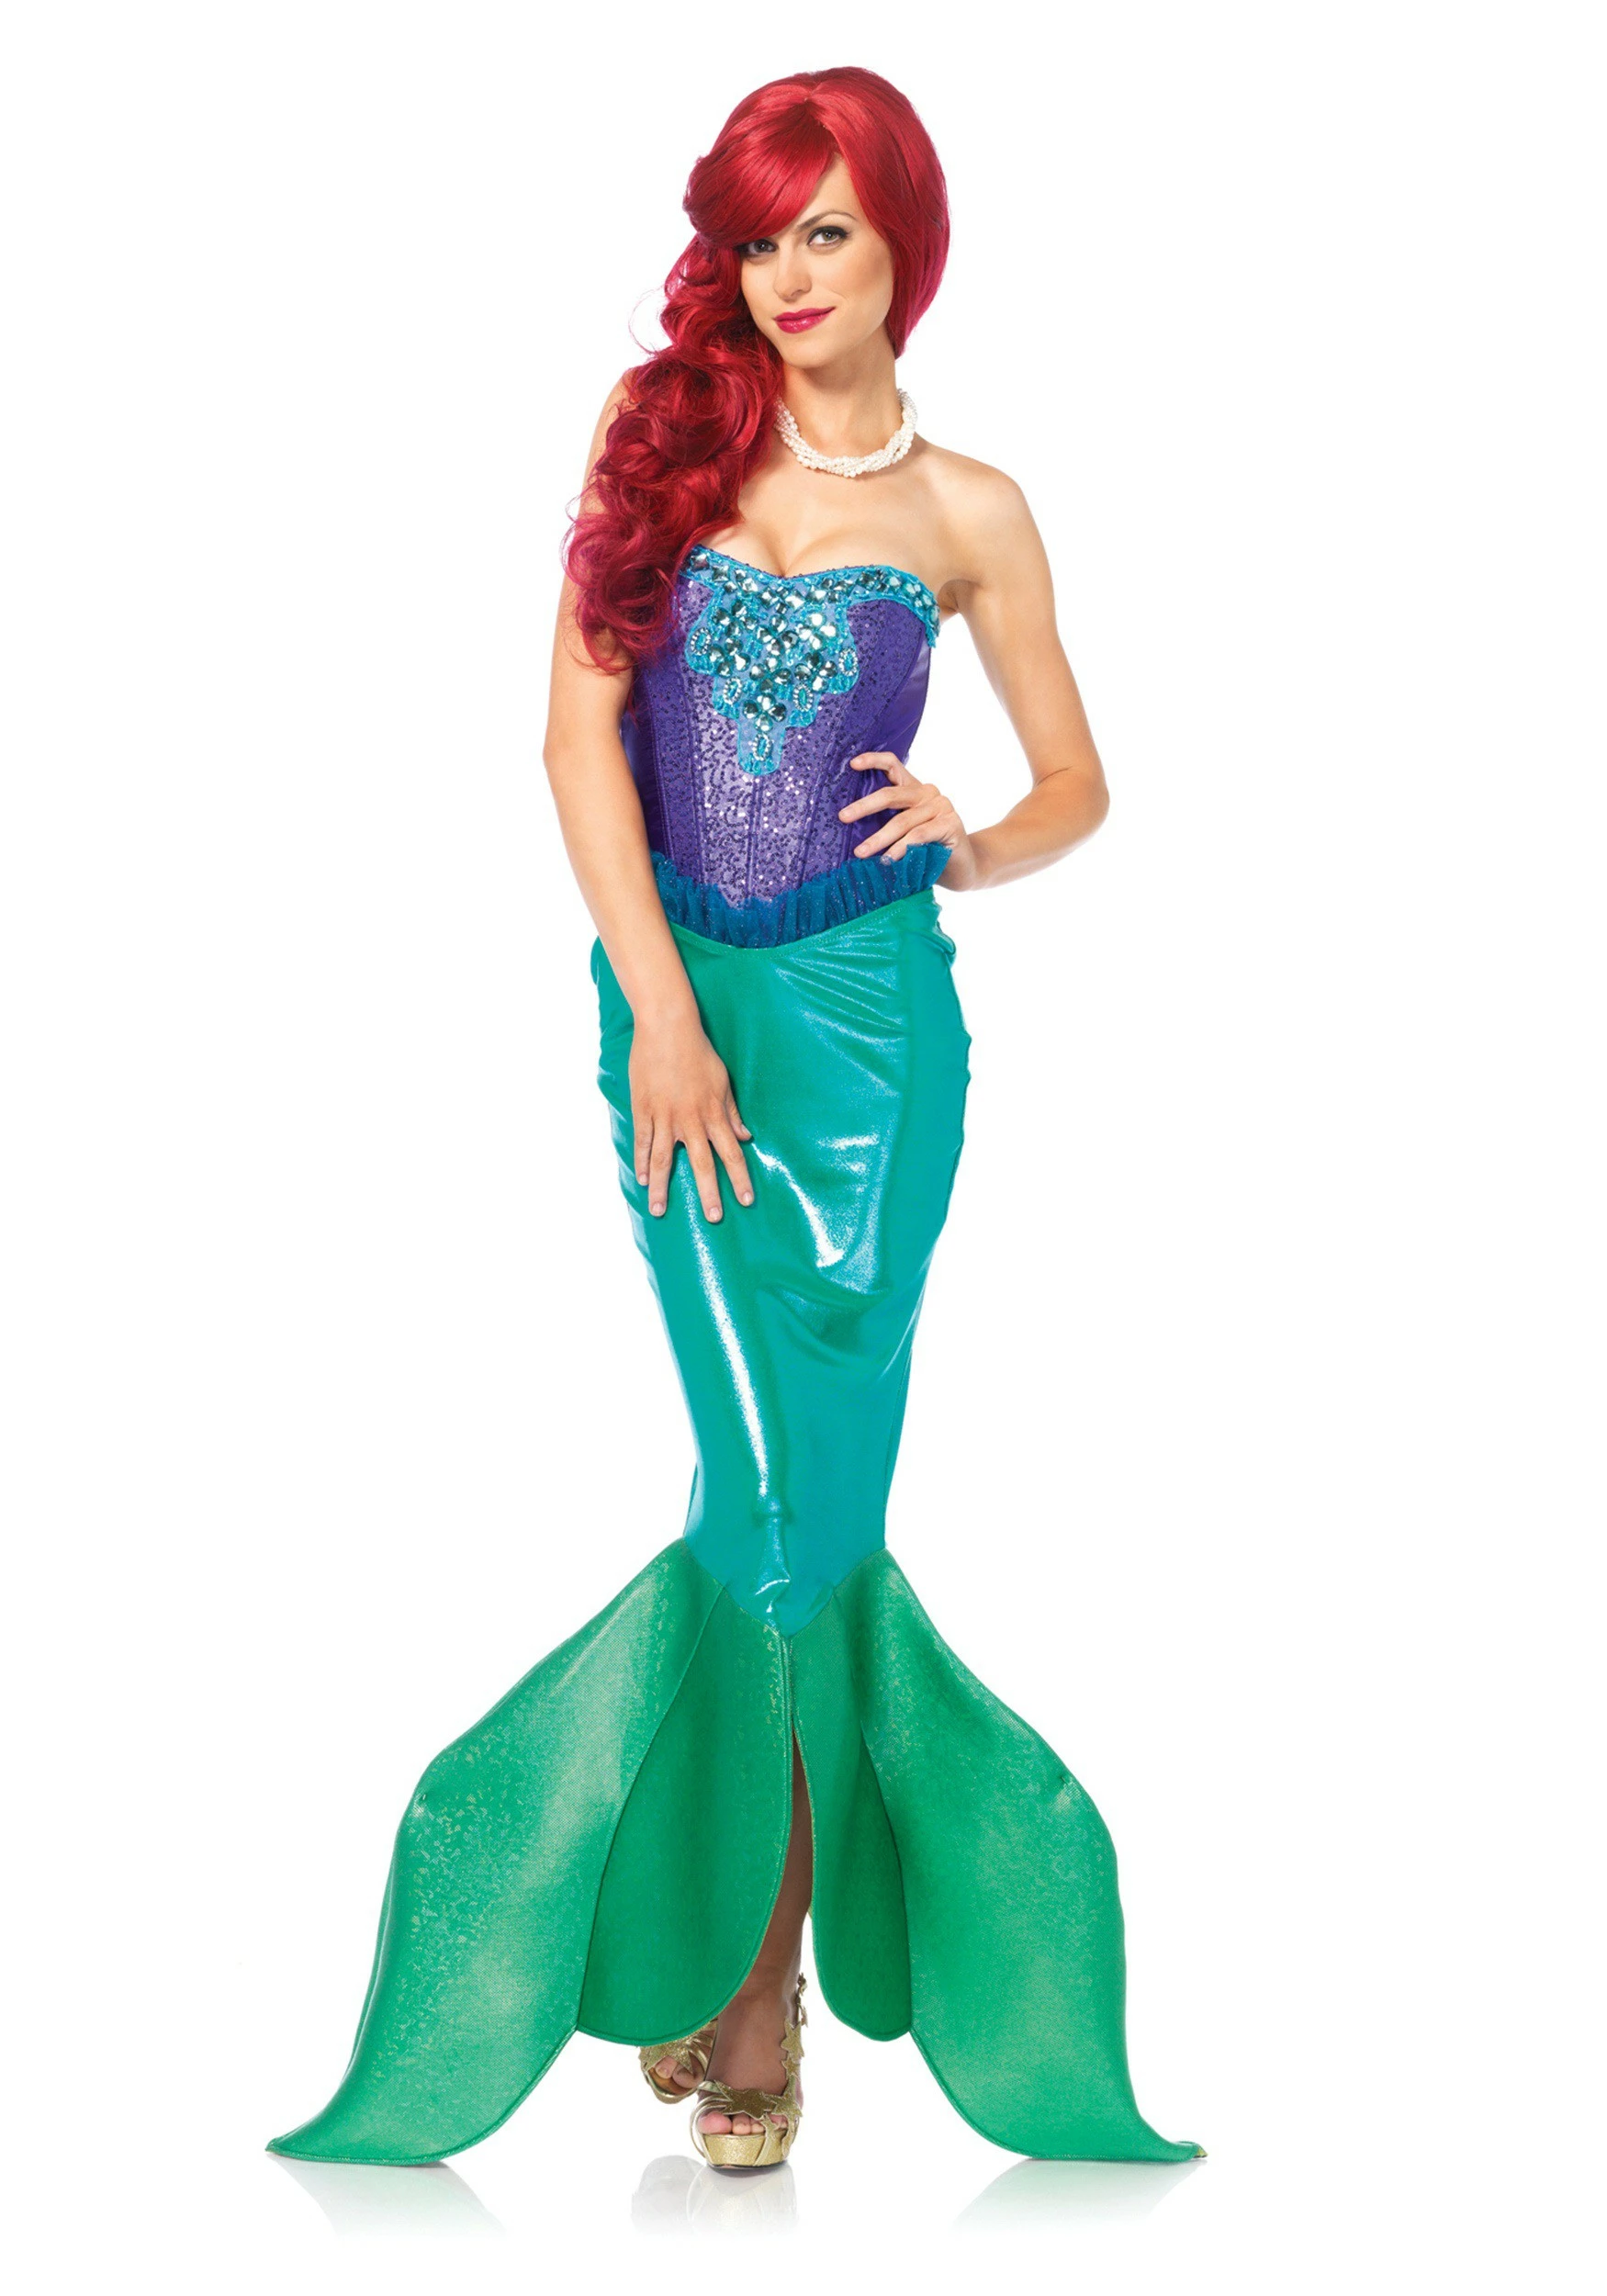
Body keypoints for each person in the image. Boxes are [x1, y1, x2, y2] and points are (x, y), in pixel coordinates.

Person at [269, 63, 1199, 2175]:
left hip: (878, 1049)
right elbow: (570, 743)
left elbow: (1078, 780)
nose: (786, 275)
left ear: (901, 248)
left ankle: (731, 1955)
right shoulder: (660, 433)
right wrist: (666, 1024)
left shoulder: (971, 510)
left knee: (801, 1519)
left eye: (826, 232)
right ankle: (739, 1972)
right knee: (765, 1500)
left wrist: (974, 837)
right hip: (679, 1022)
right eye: (758, 236)